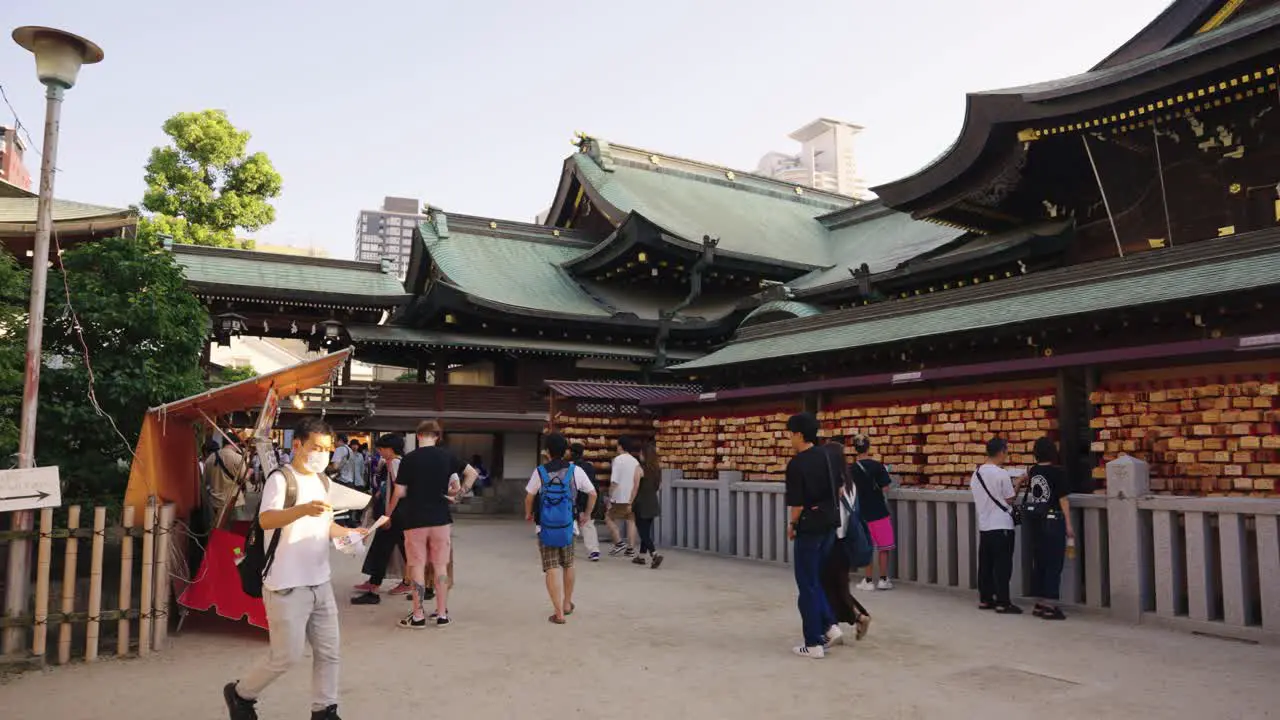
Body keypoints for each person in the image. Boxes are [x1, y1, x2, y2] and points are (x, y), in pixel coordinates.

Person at [223, 417, 367, 720]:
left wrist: (351, 536)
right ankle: (241, 694)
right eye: (315, 448)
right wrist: (301, 509)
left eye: (326, 450)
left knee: (329, 652)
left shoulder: (322, 481)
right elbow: (266, 520)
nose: (321, 455)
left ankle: (324, 710)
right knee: (285, 656)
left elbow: (326, 525)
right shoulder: (281, 479)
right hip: (286, 584)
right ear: (297, 445)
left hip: (320, 581)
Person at [393, 420, 478, 629]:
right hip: (441, 518)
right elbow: (472, 473)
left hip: (415, 519)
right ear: (437, 437)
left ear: (418, 436)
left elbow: (399, 492)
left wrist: (389, 512)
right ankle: (441, 614)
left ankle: (418, 614)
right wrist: (460, 492)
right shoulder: (447, 456)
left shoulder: (409, 459)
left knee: (417, 566)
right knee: (441, 566)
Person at [525, 433, 596, 624]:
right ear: (565, 451)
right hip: (567, 526)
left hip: (545, 526)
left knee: (551, 568)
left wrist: (528, 514)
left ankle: (558, 614)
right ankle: (567, 603)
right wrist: (586, 514)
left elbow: (530, 496)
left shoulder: (540, 471)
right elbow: (592, 493)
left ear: (547, 451)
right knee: (569, 564)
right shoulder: (575, 471)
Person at [784, 413, 840, 658]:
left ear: (798, 434)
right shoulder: (828, 455)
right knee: (816, 578)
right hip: (830, 522)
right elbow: (838, 487)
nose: (788, 438)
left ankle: (813, 642)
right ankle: (829, 625)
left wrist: (792, 524)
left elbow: (796, 504)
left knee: (806, 584)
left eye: (789, 433)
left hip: (809, 526)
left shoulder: (797, 464)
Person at [820, 440, 872, 644]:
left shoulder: (831, 483)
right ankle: (857, 617)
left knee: (826, 587)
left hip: (831, 541)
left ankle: (837, 625)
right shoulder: (851, 484)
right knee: (840, 586)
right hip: (846, 543)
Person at [353, 434, 410, 604]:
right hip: (401, 513)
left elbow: (399, 492)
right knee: (401, 548)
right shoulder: (399, 462)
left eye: (382, 448)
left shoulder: (395, 463)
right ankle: (410, 582)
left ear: (391, 448)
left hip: (396, 513)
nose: (380, 451)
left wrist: (388, 515)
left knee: (383, 547)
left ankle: (375, 585)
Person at [1024, 436, 1074, 620]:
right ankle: (1050, 605)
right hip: (1054, 520)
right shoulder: (1057, 472)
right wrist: (1068, 523)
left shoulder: (1034, 471)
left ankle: (1039, 602)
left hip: (1036, 521)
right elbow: (1063, 499)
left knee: (1040, 561)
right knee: (1054, 563)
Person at [971, 437, 1022, 614]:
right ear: (1001, 452)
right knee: (1002, 565)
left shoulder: (976, 473)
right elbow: (1009, 498)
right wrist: (1020, 483)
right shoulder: (1002, 474)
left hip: (985, 525)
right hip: (1002, 526)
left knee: (985, 564)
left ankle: (985, 599)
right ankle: (1003, 601)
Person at [849, 435, 896, 591]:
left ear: (855, 449)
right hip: (879, 511)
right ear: (869, 448)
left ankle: (868, 581)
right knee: (884, 547)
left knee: (867, 546)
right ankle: (883, 579)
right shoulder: (877, 466)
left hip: (862, 513)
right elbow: (886, 487)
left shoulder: (851, 469)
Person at [606, 436, 642, 557]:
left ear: (620, 446)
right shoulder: (635, 461)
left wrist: (610, 496)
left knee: (608, 518)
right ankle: (631, 548)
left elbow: (614, 481)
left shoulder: (617, 460)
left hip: (619, 496)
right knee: (631, 521)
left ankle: (619, 542)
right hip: (631, 496)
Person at [632, 441, 664, 568]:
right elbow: (658, 486)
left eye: (640, 453)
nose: (639, 455)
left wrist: (630, 502)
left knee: (643, 532)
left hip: (641, 503)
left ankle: (654, 554)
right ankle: (641, 556)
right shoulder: (657, 470)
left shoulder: (639, 469)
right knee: (646, 530)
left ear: (644, 454)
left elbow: (635, 487)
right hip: (652, 502)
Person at [569, 443, 602, 561]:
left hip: (576, 500)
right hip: (590, 498)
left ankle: (567, 550)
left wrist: (581, 509)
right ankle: (594, 551)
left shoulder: (570, 468)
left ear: (571, 453)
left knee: (571, 524)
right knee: (588, 524)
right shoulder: (590, 467)